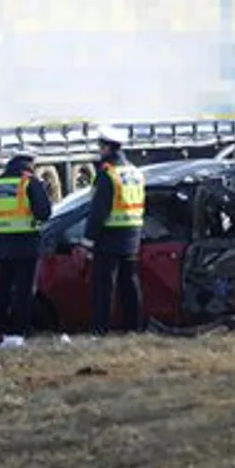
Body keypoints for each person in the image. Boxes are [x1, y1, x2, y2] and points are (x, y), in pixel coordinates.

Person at [83, 125, 146, 334]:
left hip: (109, 238)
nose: (99, 150)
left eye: (100, 146)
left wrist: (88, 240)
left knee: (105, 288)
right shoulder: (135, 172)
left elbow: (99, 211)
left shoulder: (107, 174)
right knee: (130, 285)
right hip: (132, 237)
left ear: (108, 148)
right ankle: (134, 328)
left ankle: (100, 331)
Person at [0, 148, 53, 334]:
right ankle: (20, 330)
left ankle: (0, 328)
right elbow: (44, 213)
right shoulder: (29, 182)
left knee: (4, 289)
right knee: (24, 291)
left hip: (2, 246)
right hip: (26, 246)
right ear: (30, 163)